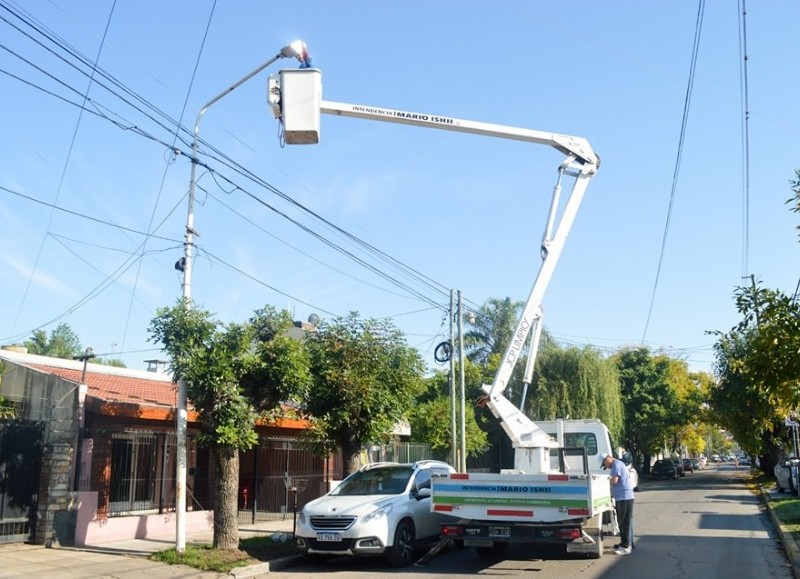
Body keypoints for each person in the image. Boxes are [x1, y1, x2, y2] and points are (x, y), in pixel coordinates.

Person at [602, 454, 635, 555]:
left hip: (624, 498)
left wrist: (604, 482)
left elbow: (614, 481)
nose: (606, 467)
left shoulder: (616, 465)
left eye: (604, 464)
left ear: (607, 459)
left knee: (624, 523)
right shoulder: (619, 464)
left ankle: (626, 546)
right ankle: (626, 543)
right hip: (624, 497)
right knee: (624, 522)